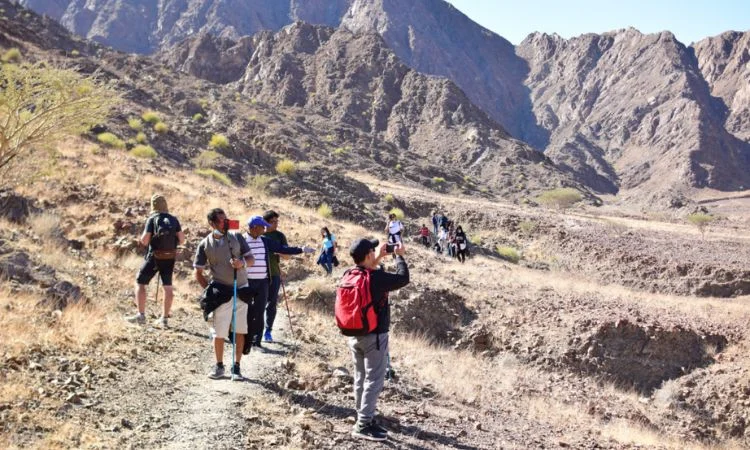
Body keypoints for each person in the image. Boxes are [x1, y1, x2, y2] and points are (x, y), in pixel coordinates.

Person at [345, 238, 409, 441]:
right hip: (375, 337)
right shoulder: (376, 278)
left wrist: (380, 256)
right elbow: (402, 278)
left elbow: (368, 269)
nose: (375, 252)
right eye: (373, 250)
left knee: (360, 378)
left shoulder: (350, 274)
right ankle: (363, 425)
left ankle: (364, 416)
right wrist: (399, 256)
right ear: (368, 255)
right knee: (374, 380)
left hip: (355, 335)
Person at [194, 208, 254, 381]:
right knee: (219, 332)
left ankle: (236, 367)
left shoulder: (237, 237)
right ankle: (219, 366)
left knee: (239, 330)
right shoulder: (205, 244)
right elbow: (198, 272)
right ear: (212, 223)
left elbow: (251, 259)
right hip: (221, 293)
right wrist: (209, 291)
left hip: (241, 289)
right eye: (221, 220)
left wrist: (241, 263)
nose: (225, 222)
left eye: (226, 219)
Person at [242, 216, 315, 351]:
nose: (265, 229)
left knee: (259, 311)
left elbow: (282, 249)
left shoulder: (264, 241)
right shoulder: (241, 240)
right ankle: (244, 340)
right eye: (262, 227)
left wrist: (301, 249)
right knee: (245, 311)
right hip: (245, 282)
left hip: (263, 282)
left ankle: (256, 342)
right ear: (253, 228)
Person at [127, 194, 185, 327]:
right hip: (169, 257)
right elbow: (182, 240)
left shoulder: (152, 219)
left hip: (154, 257)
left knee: (140, 282)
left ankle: (141, 316)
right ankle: (164, 319)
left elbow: (145, 240)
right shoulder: (173, 219)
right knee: (168, 287)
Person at [261, 210, 288, 343]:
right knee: (257, 303)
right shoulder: (257, 233)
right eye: (273, 222)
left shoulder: (279, 236)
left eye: (277, 221)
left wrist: (278, 250)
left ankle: (268, 331)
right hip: (257, 274)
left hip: (274, 273)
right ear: (265, 222)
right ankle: (255, 331)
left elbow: (287, 256)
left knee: (271, 303)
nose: (276, 224)